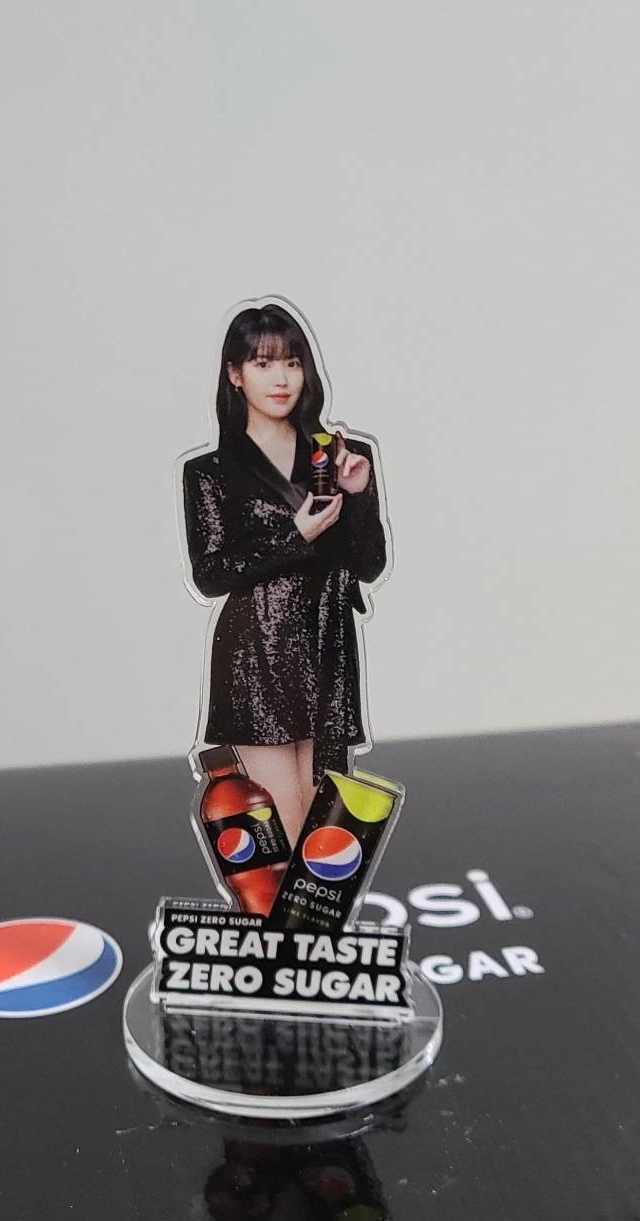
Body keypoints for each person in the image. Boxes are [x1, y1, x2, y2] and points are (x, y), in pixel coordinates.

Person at [182, 301, 388, 845]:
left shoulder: (340, 455)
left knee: (327, 840)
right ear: (235, 374)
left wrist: (359, 494)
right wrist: (295, 535)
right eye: (264, 363)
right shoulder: (210, 472)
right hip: (256, 656)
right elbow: (210, 575)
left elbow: (370, 565)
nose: (281, 378)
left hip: (326, 651)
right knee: (285, 831)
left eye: (292, 363)